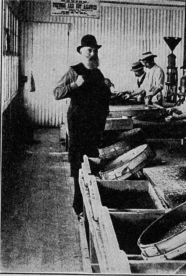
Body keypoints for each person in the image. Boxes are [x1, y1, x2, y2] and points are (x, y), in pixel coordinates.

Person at [53, 34, 110, 217]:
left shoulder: (97, 72)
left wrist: (106, 85)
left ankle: (91, 206)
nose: (92, 53)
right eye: (89, 50)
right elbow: (57, 92)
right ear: (81, 51)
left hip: (95, 125)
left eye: (95, 50)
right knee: (79, 164)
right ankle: (78, 206)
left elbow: (100, 97)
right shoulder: (74, 70)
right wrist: (74, 85)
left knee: (92, 163)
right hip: (79, 125)